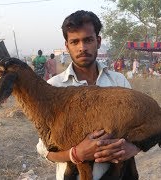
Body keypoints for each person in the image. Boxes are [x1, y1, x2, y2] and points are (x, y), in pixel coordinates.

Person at [36, 10, 140, 179]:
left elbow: (138, 129)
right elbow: (44, 150)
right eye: (75, 42)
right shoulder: (54, 87)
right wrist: (76, 154)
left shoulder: (118, 82)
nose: (82, 48)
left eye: (88, 40)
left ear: (98, 41)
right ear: (67, 46)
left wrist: (133, 148)